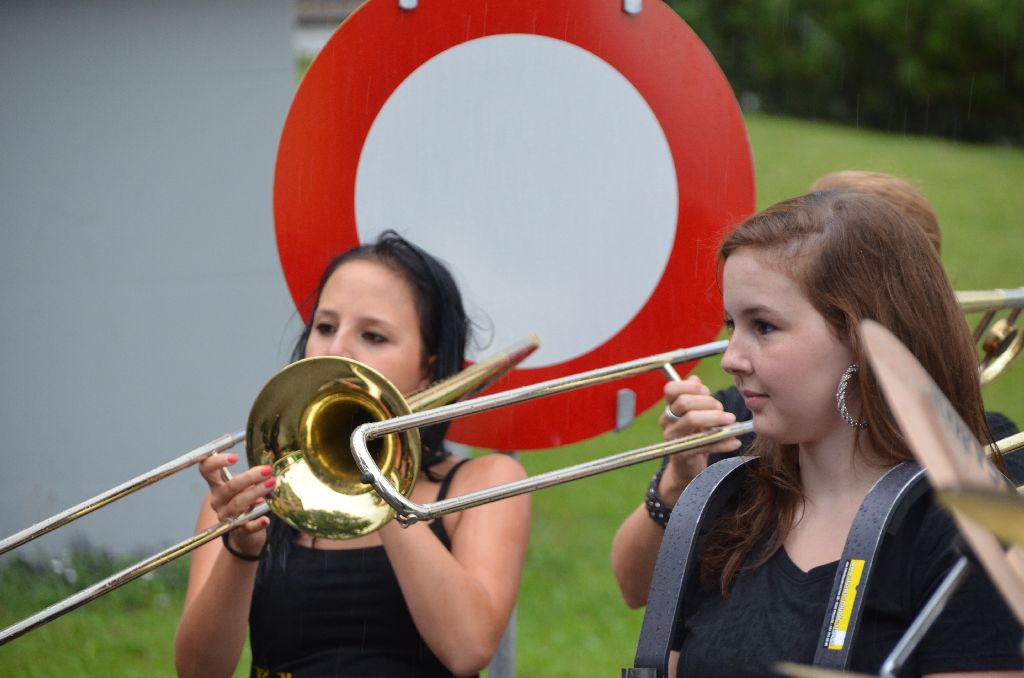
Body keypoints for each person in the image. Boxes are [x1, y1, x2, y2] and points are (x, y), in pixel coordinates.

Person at [652, 191, 1023, 676]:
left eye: (763, 326)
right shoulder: (731, 499)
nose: (730, 358)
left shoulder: (969, 528)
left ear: (861, 339)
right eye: (732, 325)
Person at [174, 231, 531, 678]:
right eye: (325, 327)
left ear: (428, 368)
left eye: (373, 336)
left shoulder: (486, 481)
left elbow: (466, 649)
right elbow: (197, 672)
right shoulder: (248, 498)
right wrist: (240, 550)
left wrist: (378, 476)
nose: (337, 349)